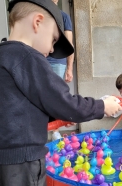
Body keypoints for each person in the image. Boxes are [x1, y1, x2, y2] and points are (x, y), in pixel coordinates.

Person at [0, 1, 122, 186]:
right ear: (37, 22)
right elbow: (64, 101)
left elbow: (18, 108)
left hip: (0, 162)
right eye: (54, 39)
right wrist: (102, 107)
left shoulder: (2, 57)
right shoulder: (26, 57)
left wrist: (54, 116)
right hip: (21, 162)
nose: (52, 50)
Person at [47, 0, 75, 140]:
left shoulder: (64, 17)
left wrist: (69, 68)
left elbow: (69, 44)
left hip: (58, 62)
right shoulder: (40, 14)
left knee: (55, 96)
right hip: (39, 59)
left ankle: (55, 130)